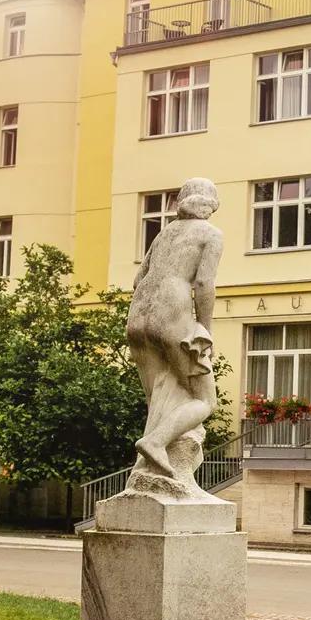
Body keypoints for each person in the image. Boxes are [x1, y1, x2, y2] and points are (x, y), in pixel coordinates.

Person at [125, 177, 224, 498]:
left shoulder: (164, 234)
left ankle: (147, 476)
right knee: (204, 400)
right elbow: (204, 285)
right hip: (172, 313)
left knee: (159, 398)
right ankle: (154, 443)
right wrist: (204, 328)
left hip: (138, 316)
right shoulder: (210, 234)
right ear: (211, 204)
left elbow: (139, 277)